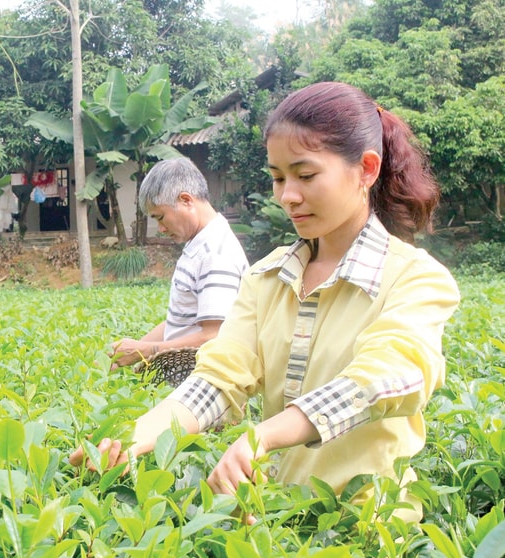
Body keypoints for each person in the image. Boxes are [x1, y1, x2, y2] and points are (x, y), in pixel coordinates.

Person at [72, 81, 460, 519]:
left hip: (367, 532)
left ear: (366, 170)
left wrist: (265, 436)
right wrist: (139, 435)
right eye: (278, 177)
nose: (287, 195)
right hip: (274, 517)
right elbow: (220, 377)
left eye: (306, 175)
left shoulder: (416, 278)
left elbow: (384, 380)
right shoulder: (267, 276)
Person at [110, 157, 249, 369]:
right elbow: (181, 322)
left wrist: (146, 351)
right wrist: (125, 353)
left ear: (186, 200)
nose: (161, 229)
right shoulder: (200, 244)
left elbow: (214, 336)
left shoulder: (215, 254)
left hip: (202, 384)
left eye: (160, 217)